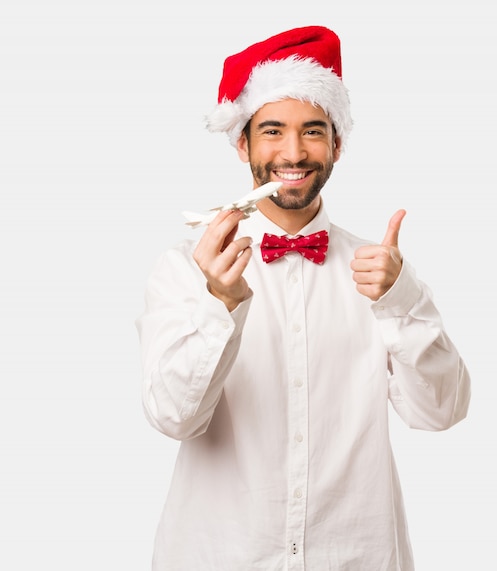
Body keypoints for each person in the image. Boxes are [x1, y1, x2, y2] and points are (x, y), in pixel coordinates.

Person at [136, 25, 471, 571]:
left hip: (357, 557)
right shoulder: (184, 267)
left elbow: (442, 412)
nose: (293, 152)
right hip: (219, 556)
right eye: (272, 131)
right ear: (242, 143)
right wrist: (219, 305)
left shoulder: (383, 273)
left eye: (313, 131)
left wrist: (399, 301)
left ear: (337, 144)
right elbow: (174, 419)